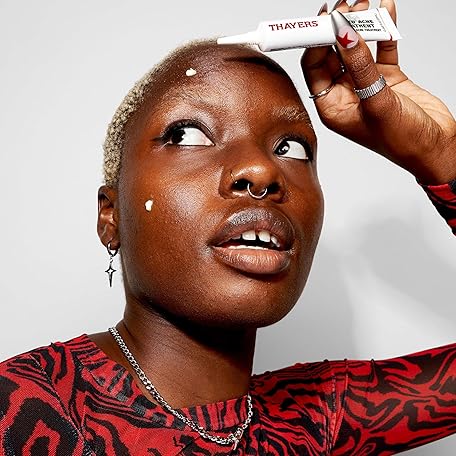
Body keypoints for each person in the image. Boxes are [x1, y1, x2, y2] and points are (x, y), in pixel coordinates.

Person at [1, 0, 455, 454]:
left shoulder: (312, 418)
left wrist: (440, 156)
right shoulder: (24, 408)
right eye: (187, 135)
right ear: (111, 215)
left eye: (291, 147)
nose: (261, 170)